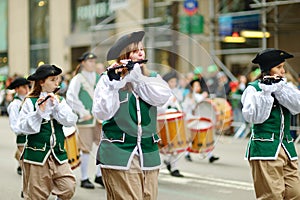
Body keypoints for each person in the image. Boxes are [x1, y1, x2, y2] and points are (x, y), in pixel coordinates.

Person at [92, 30, 172, 199]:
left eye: (142, 49)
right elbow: (102, 112)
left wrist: (138, 78)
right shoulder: (108, 79)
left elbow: (162, 98)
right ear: (124, 56)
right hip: (118, 152)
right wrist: (115, 83)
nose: (140, 52)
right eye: (135, 50)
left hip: (147, 152)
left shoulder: (152, 78)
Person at [241, 48, 300, 199]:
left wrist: (279, 91)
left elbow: (297, 106)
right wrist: (266, 93)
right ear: (268, 69)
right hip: (265, 148)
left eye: (283, 67)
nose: (283, 71)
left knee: (295, 193)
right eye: (279, 67)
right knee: (272, 196)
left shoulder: (284, 88)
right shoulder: (253, 89)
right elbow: (253, 117)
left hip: (286, 147)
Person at [17, 64, 78, 200]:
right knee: (36, 195)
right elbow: (21, 127)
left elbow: (71, 120)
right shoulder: (29, 101)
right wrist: (38, 114)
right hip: (36, 155)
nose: (57, 82)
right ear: (41, 82)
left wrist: (57, 108)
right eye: (52, 80)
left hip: (58, 154)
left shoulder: (60, 100)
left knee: (68, 187)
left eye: (57, 79)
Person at [66, 51, 104, 189]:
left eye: (94, 61)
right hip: (86, 120)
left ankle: (99, 175)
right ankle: (84, 177)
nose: (92, 64)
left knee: (102, 146)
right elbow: (71, 97)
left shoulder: (99, 78)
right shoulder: (78, 79)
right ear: (83, 63)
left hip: (99, 119)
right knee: (86, 148)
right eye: (90, 61)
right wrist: (82, 112)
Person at [182, 79, 219, 163]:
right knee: (192, 138)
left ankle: (210, 155)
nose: (198, 87)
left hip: (195, 118)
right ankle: (186, 154)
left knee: (205, 135)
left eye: (199, 85)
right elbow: (189, 107)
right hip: (189, 119)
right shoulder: (189, 96)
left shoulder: (195, 95)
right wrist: (203, 95)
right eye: (196, 86)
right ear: (192, 87)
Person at [6, 77, 30, 197]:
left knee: (31, 167)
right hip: (22, 138)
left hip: (32, 137)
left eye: (28, 86)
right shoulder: (15, 105)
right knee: (26, 167)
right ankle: (25, 190)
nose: (27, 89)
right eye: (24, 87)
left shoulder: (28, 100)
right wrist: (25, 129)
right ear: (17, 89)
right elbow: (14, 125)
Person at [158, 70, 184, 177]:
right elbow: (159, 108)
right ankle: (169, 163)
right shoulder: (161, 92)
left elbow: (178, 107)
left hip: (173, 123)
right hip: (163, 123)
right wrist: (169, 103)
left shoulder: (173, 93)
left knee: (175, 146)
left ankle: (174, 167)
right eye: (172, 81)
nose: (174, 84)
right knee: (164, 146)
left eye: (174, 81)